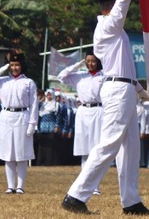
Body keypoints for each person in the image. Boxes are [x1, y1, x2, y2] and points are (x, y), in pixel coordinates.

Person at [62, 0, 149, 215]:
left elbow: (125, 70)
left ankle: (131, 201)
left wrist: (142, 92)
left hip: (124, 87)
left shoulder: (115, 31)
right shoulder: (107, 26)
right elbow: (124, 4)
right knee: (109, 144)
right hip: (116, 89)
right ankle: (75, 195)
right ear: (111, 4)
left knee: (130, 149)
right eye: (117, 3)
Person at [57, 51, 104, 194]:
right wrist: (77, 65)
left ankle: (95, 186)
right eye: (88, 61)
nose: (90, 64)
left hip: (98, 111)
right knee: (84, 150)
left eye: (93, 61)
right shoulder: (79, 76)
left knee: (96, 149)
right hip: (83, 112)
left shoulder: (104, 76)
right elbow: (61, 76)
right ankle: (84, 185)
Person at [0, 53, 39, 194]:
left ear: (22, 66)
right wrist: (3, 67)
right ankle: (10, 185)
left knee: (21, 153)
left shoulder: (28, 82)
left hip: (22, 116)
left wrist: (33, 124)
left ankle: (20, 186)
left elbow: (34, 104)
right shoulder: (1, 81)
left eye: (17, 65)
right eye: (12, 65)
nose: (14, 68)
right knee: (8, 153)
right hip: (6, 116)